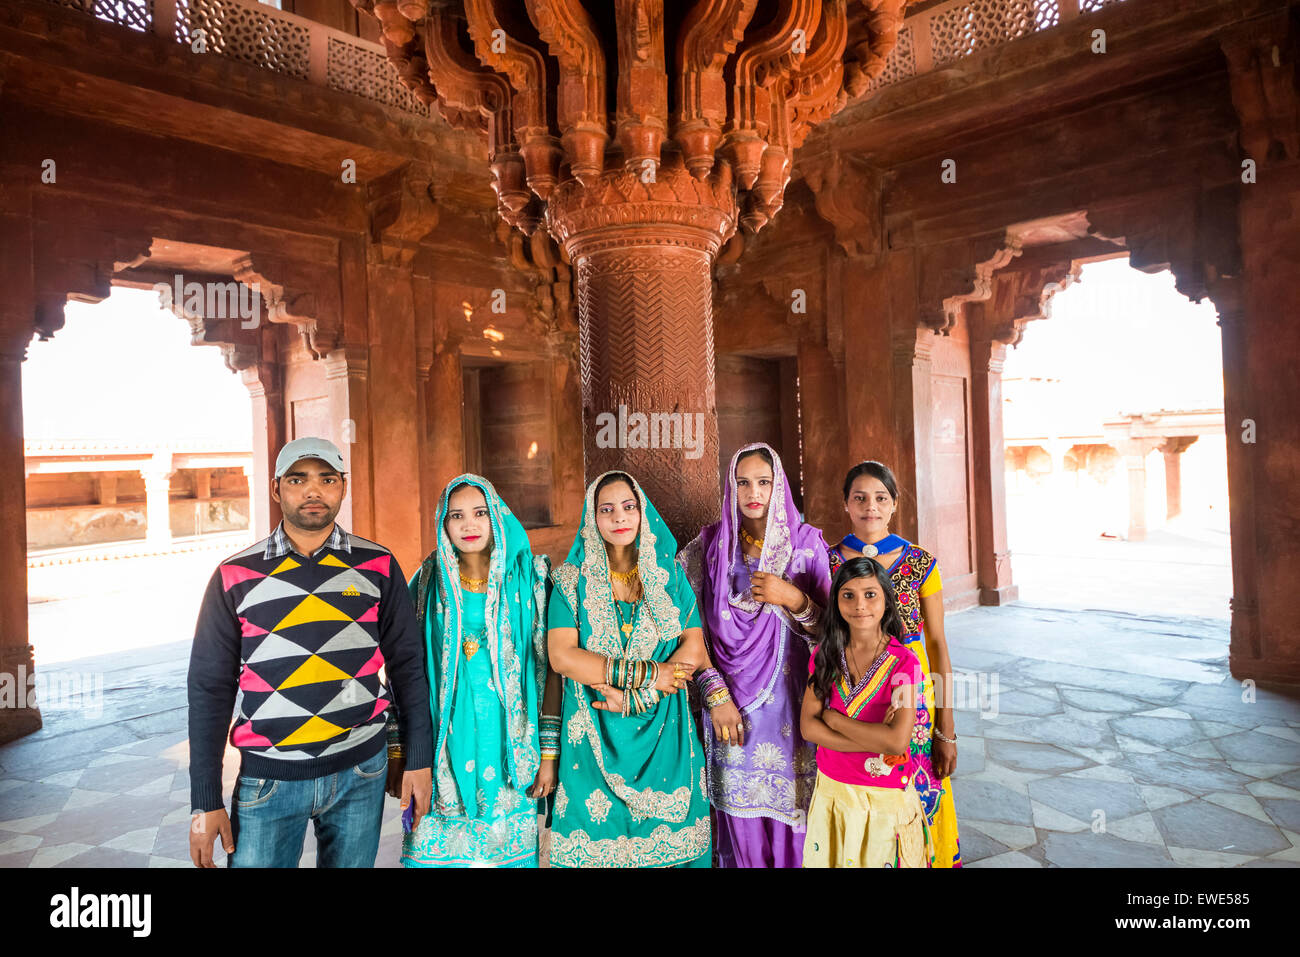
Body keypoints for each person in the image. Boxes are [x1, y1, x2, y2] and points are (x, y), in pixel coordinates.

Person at [187, 437, 433, 867]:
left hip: (362, 770)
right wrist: (205, 799)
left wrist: (418, 758)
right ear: (277, 488)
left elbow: (408, 667)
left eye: (327, 479)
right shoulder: (235, 575)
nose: (314, 491)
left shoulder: (376, 565)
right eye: (299, 479)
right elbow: (209, 689)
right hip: (269, 778)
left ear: (344, 486)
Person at [389, 474, 560, 867]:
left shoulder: (530, 578)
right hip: (443, 743)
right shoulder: (427, 581)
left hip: (508, 744)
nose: (469, 524)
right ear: (442, 524)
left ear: (496, 516)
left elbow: (550, 669)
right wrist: (399, 748)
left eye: (480, 513)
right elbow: (403, 669)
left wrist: (548, 752)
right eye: (457, 516)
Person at [545, 471, 713, 867]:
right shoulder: (569, 583)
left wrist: (644, 695)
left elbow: (695, 645)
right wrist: (650, 674)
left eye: (628, 506)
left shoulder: (667, 576)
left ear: (642, 513)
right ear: (592, 517)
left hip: (664, 740)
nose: (619, 517)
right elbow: (563, 656)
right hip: (590, 740)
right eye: (607, 510)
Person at [678, 442, 831, 867]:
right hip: (729, 705)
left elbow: (829, 633)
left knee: (793, 821)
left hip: (790, 706)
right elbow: (686, 630)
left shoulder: (805, 544)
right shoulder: (710, 547)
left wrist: (794, 598)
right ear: (731, 487)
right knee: (738, 819)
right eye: (743, 482)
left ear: (778, 484)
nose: (753, 492)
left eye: (764, 482)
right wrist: (713, 694)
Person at [827, 460, 961, 867]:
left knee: (918, 793)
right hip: (853, 691)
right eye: (860, 497)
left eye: (880, 497)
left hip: (912, 695)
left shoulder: (921, 562)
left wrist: (947, 728)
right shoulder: (827, 559)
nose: (871, 506)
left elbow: (937, 643)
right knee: (861, 785)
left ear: (894, 505)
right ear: (846, 504)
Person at [801, 557, 933, 868]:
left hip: (883, 798)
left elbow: (898, 742)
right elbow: (808, 727)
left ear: (887, 600)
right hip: (832, 790)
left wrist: (834, 720)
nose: (860, 605)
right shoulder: (826, 654)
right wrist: (876, 739)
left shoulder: (904, 663)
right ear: (836, 602)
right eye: (848, 595)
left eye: (870, 594)